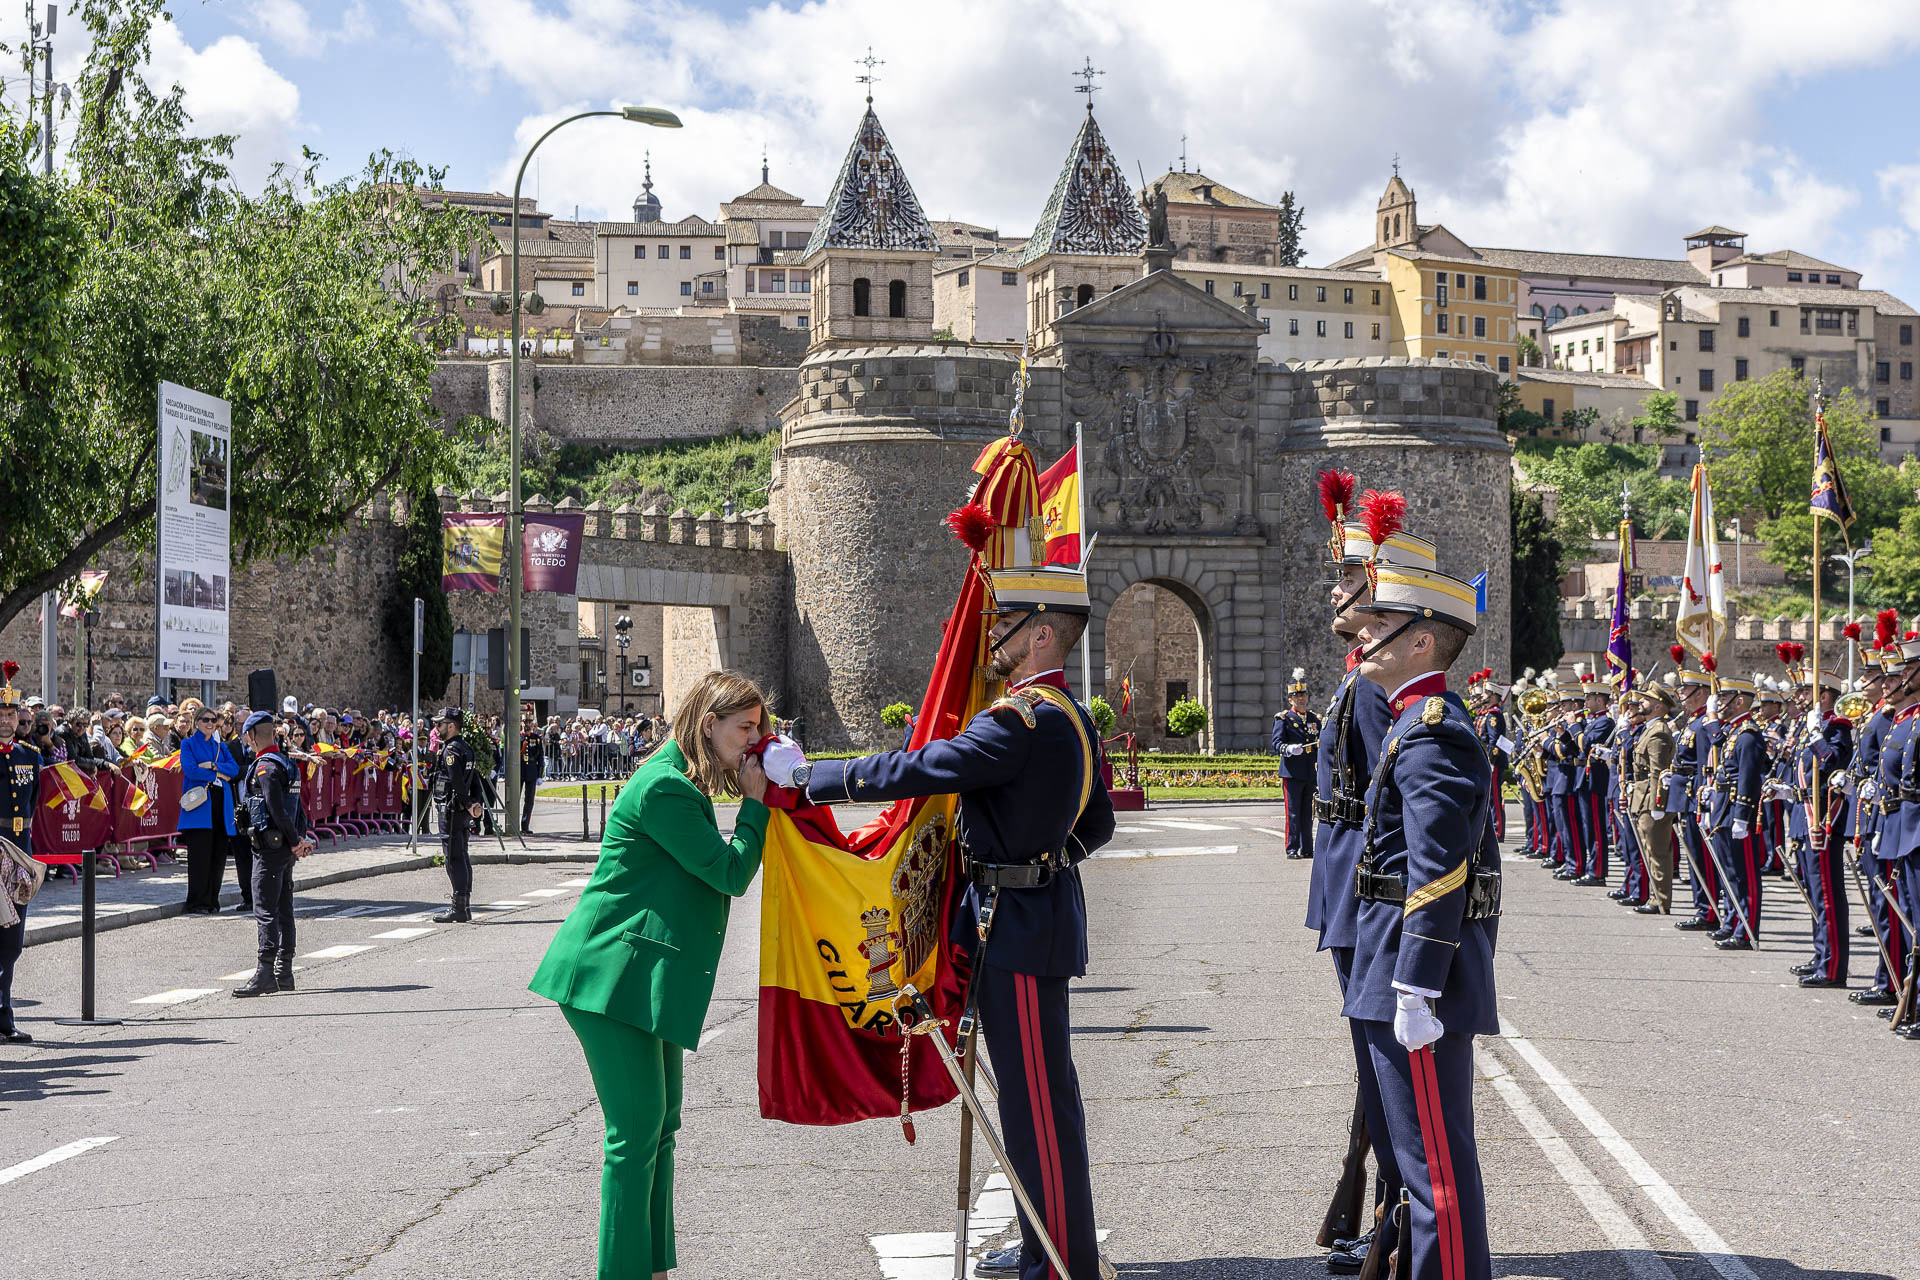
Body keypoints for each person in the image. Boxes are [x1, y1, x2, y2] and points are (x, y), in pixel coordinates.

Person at [767, 559, 1117, 1280]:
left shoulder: (1022, 722)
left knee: (1035, 1113)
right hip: (1030, 919)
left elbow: (919, 769)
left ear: (1043, 636)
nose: (997, 636)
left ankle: (1058, 1268)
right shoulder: (1070, 717)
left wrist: (810, 776)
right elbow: (1099, 825)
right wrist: (1042, 860)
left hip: (1014, 931)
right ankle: (1055, 1248)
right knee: (1042, 1104)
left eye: (1010, 626)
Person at [530, 670, 772, 1280]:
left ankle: (653, 1268)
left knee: (660, 1127)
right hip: (607, 973)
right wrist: (756, 805)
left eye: (759, 728)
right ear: (708, 723)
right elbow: (730, 873)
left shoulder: (678, 783)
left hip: (638, 974)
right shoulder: (664, 786)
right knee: (634, 1134)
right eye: (745, 727)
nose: (754, 740)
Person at [1346, 559, 1500, 1280]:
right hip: (1391, 963)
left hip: (1414, 976)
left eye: (1380, 627)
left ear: (1421, 643)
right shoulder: (1414, 721)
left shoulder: (1433, 731)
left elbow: (1437, 868)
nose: (1363, 636)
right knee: (1419, 1163)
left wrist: (1416, 986)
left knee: (1433, 1169)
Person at [1307, 484, 1438, 1276]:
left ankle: (1393, 1221)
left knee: (1383, 1069)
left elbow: (1387, 799)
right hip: (1346, 882)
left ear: (1380, 585)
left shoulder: (1371, 687)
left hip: (1363, 889)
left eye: (1349, 572)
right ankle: (1388, 1213)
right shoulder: (1358, 676)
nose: (1335, 585)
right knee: (1371, 1066)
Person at [232, 712, 315, 998]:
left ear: (253, 736)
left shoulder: (266, 766)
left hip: (270, 847)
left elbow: (276, 808)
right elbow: (299, 808)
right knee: (283, 907)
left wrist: (294, 841)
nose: (246, 742)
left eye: (247, 737)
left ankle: (266, 972)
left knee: (266, 908)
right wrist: (299, 838)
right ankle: (284, 971)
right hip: (284, 846)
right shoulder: (287, 763)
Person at [1, 664, 41, 1044]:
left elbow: (35, 804)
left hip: (20, 856)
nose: (7, 721)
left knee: (12, 943)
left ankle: (4, 1016)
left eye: (12, 714)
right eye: (1, 715)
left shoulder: (30, 757)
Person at [179, 701, 239, 915]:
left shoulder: (220, 747)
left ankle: (212, 900)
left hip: (220, 805)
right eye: (206, 720)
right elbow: (190, 769)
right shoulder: (188, 744)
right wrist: (216, 775)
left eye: (214, 720)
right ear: (197, 723)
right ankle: (197, 901)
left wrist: (214, 767)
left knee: (217, 856)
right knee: (200, 858)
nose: (210, 723)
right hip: (200, 806)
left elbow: (233, 769)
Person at [1626, 683, 1678, 914]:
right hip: (1643, 796)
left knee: (1657, 853)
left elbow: (1659, 770)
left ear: (1658, 706)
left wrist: (1659, 803)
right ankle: (1653, 897)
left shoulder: (1658, 731)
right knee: (1649, 850)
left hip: (1651, 799)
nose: (1640, 703)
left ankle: (1661, 901)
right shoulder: (1650, 728)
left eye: (1646, 700)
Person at [430, 708, 485, 923]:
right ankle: (464, 906)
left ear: (451, 725)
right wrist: (475, 802)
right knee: (462, 855)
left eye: (440, 724)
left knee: (453, 858)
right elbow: (475, 779)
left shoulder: (452, 751)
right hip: (461, 809)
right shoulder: (466, 748)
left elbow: (458, 782)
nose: (437, 728)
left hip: (452, 810)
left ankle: (459, 907)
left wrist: (469, 802)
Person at [1271, 668, 1319, 860]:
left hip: (1310, 773)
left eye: (1303, 695)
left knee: (1308, 813)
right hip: (1292, 773)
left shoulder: (1315, 719)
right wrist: (1289, 749)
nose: (1301, 699)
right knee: (1293, 814)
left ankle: (1307, 848)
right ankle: (1292, 848)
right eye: (1296, 697)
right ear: (1290, 699)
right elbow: (1276, 744)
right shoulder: (1284, 719)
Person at [519, 702, 545, 833]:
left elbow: (540, 757)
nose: (527, 724)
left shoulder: (537, 738)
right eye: (525, 722)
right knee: (514, 799)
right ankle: (512, 824)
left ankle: (525, 826)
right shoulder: (518, 736)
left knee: (529, 801)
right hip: (519, 771)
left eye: (529, 721)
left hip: (532, 771)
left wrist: (540, 775)